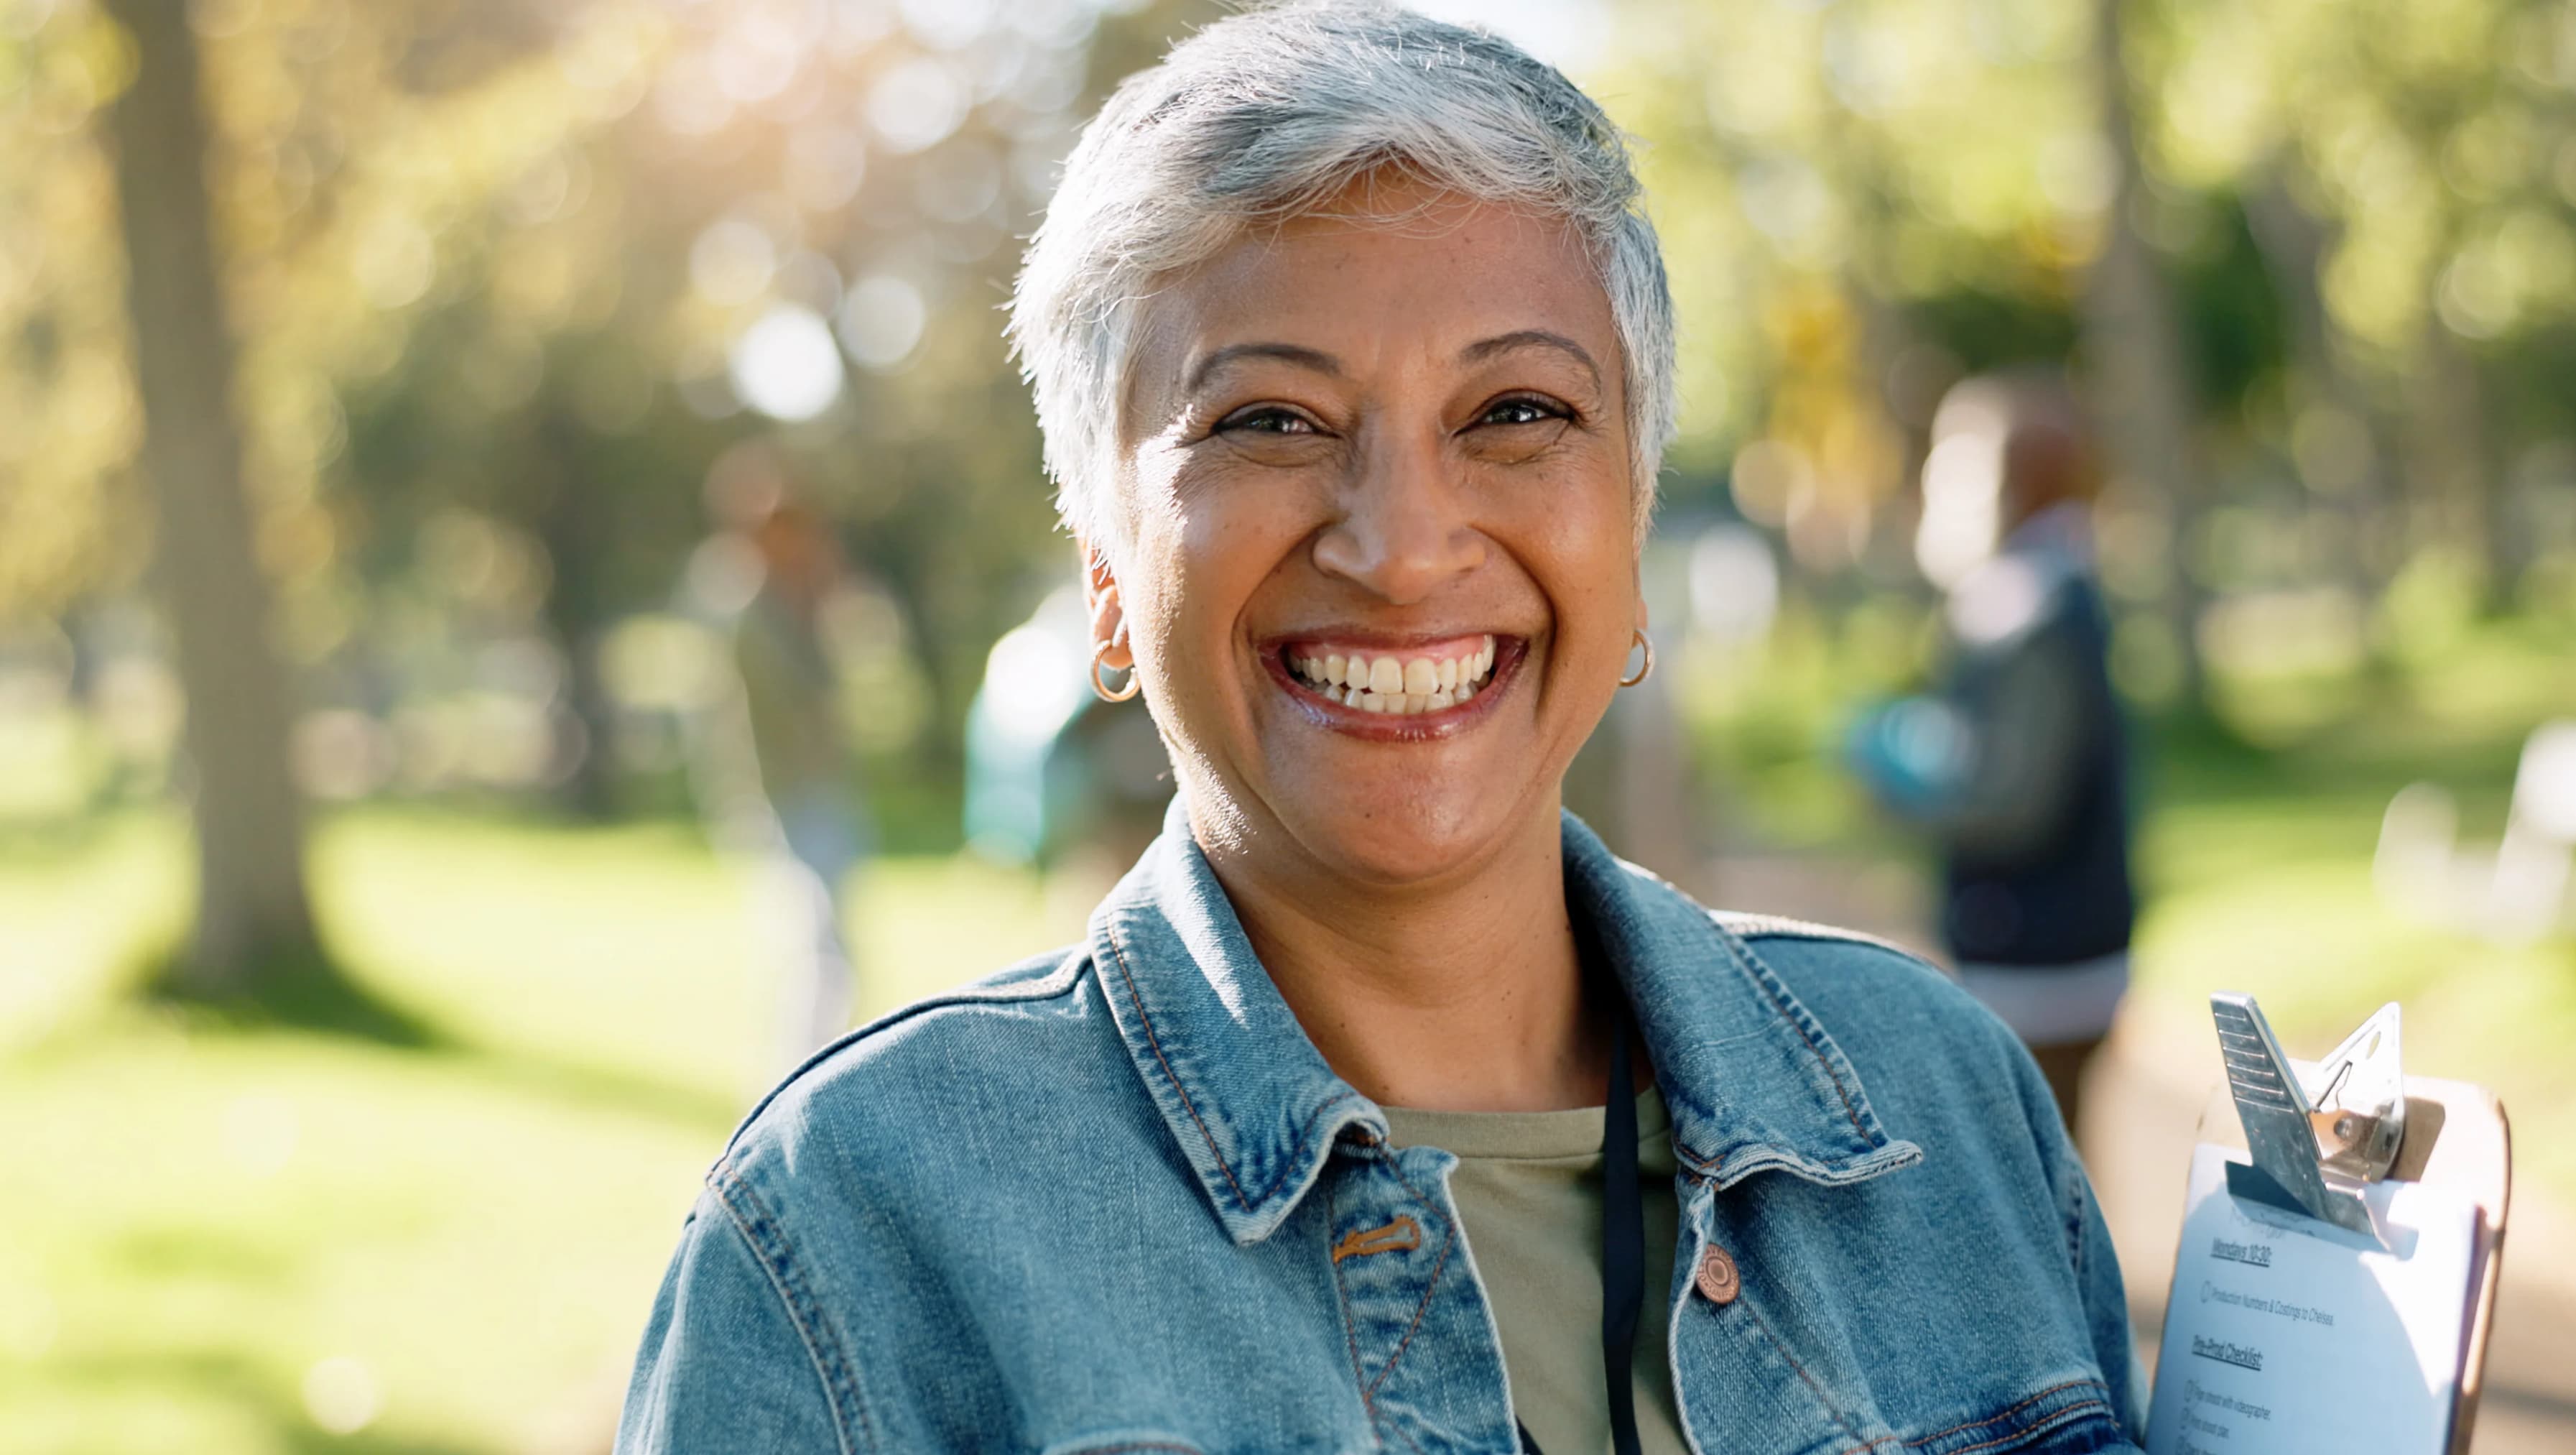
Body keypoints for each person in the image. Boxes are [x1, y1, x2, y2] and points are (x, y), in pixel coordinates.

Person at [619, 6, 2140, 1451]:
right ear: (1102, 578)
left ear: (1633, 527)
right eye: (1269, 421)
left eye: (1518, 414)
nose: (1404, 548)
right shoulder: (846, 1242)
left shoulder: (1947, 1109)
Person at [1848, 371, 2140, 1137]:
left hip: (2039, 957)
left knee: (2032, 1195)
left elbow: (2016, 799)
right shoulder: (2040, 593)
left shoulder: (2026, 607)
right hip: (2048, 944)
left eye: (1955, 469)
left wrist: (1903, 784)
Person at [692, 442, 870, 1071]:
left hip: (815, 788)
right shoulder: (744, 609)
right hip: (782, 798)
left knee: (822, 949)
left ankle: (809, 1074)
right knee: (819, 952)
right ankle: (797, 1082)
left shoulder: (790, 603)